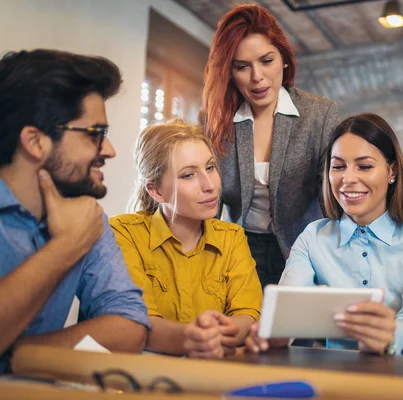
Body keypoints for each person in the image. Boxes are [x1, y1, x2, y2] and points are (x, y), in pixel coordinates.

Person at [245, 113, 403, 355]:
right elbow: (287, 311)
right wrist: (273, 333)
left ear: (392, 171)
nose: (348, 179)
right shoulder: (313, 238)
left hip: (401, 375)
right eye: (338, 166)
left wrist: (390, 337)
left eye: (364, 167)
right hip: (332, 378)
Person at [0, 49, 150, 373]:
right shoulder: (79, 230)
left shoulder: (86, 216)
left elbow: (130, 325)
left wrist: (13, 356)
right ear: (36, 141)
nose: (108, 150)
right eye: (95, 134)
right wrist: (66, 246)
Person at [202, 4, 339, 288]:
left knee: (295, 331)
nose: (257, 77)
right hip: (238, 248)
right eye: (242, 66)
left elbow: (333, 200)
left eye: (266, 61)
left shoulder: (319, 114)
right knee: (242, 330)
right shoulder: (214, 120)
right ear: (229, 72)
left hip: (303, 251)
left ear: (284, 59)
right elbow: (208, 200)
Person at [110, 120, 262, 359]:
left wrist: (224, 332)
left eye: (210, 168)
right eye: (188, 175)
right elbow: (137, 322)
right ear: (156, 190)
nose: (210, 185)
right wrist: (196, 338)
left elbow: (248, 313)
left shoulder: (232, 238)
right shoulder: (124, 233)